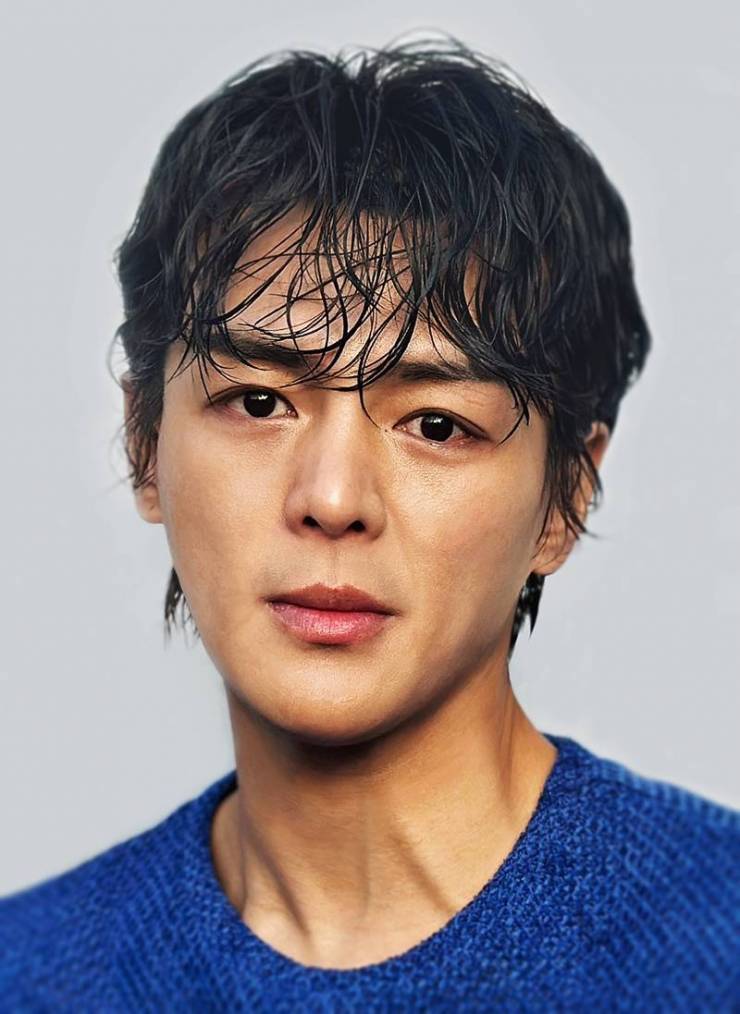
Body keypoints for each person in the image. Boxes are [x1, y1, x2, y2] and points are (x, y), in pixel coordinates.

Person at [1, 34, 738, 1012]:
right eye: (258, 402)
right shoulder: (30, 972)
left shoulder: (711, 940)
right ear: (145, 443)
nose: (334, 498)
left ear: (564, 495)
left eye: (436, 424)